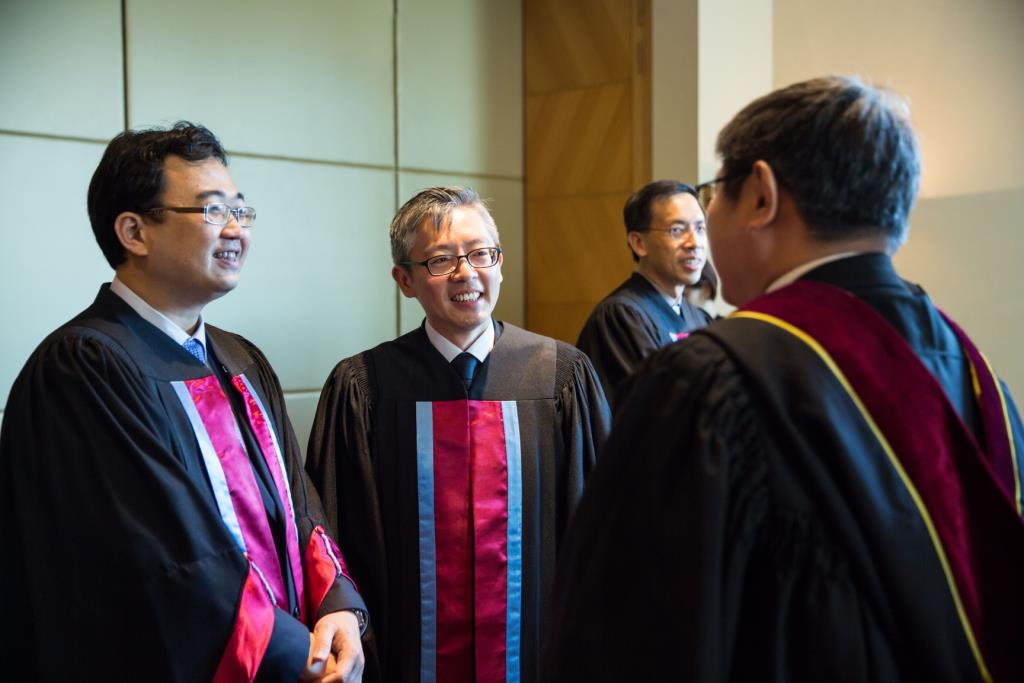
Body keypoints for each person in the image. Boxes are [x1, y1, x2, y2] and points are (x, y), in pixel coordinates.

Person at [544, 77, 1024, 681]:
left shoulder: (712, 378)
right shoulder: (973, 372)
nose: (703, 228)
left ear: (762, 195)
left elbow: (631, 633)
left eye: (713, 195)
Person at [0, 122, 367, 682]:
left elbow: (299, 505)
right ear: (134, 232)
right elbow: (166, 557)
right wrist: (295, 656)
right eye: (213, 210)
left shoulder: (241, 359)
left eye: (240, 211)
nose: (236, 230)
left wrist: (335, 605)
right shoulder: (84, 369)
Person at [306, 187, 610, 683]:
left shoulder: (561, 377)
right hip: (406, 657)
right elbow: (336, 536)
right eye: (441, 260)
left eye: (480, 253)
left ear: (500, 263)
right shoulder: (365, 387)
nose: (466, 273)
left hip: (536, 653)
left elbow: (600, 529)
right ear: (404, 280)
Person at [576, 180, 711, 406]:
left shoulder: (698, 317)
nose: (694, 243)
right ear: (638, 243)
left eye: (700, 229)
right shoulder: (621, 317)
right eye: (677, 230)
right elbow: (657, 406)